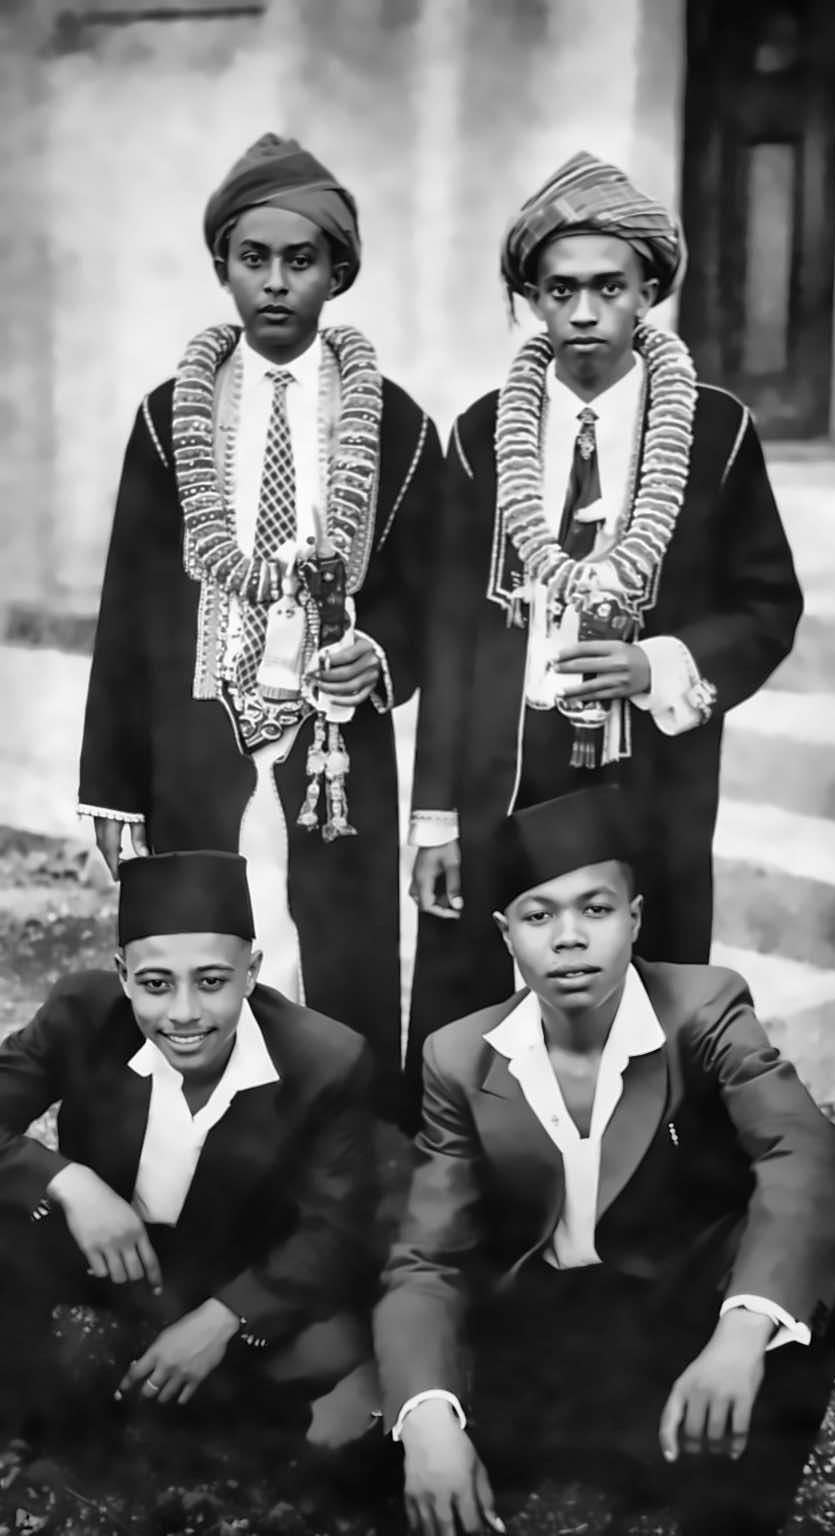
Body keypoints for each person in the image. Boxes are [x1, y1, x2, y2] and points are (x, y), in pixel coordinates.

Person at [405, 150, 803, 1110]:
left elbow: (767, 605)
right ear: (531, 301)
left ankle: (639, 1179)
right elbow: (450, 632)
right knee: (472, 993)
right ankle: (465, 1174)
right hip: (505, 764)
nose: (584, 312)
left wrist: (658, 663)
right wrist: (436, 820)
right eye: (560, 290)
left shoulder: (714, 432)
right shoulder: (481, 434)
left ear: (649, 293)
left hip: (648, 773)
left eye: (609, 288)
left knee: (646, 993)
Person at [375, 787, 835, 1536]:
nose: (569, 938)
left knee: (785, 1321)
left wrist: (741, 1332)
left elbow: (808, 1151)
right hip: (553, 1327)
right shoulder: (459, 1055)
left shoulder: (704, 1008)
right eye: (539, 916)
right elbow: (426, 1257)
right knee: (384, 1455)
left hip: (686, 1304)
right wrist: (428, 1418)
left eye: (596, 910)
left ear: (634, 919)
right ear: (506, 933)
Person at [78, 133, 442, 1115]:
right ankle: (206, 1151)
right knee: (200, 950)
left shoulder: (397, 425)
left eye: (301, 260)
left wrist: (380, 656)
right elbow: (127, 605)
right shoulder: (169, 420)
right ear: (222, 268)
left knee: (340, 955)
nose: (276, 283)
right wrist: (112, 787)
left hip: (335, 748)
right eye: (254, 259)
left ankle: (350, 1151)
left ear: (338, 272)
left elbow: (425, 597)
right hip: (197, 732)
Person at [0, 851, 379, 1451]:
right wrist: (71, 1183)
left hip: (233, 1270)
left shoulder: (325, 1060)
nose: (183, 1014)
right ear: (123, 975)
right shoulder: (83, 1013)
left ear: (251, 973)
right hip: (104, 1256)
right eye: (155, 985)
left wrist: (224, 1317)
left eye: (211, 982)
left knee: (334, 1355)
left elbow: (333, 1229)